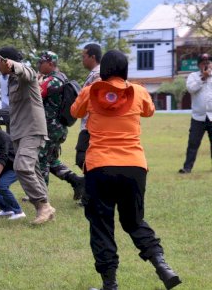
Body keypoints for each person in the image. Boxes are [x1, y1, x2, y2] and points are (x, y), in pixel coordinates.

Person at [71, 50, 181, 290]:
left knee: (101, 225)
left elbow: (75, 112)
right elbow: (149, 111)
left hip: (100, 166)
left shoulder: (91, 91)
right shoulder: (138, 91)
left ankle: (110, 284)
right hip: (134, 166)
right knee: (134, 221)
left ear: (104, 70)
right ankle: (161, 263)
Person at [0, 46, 55, 225]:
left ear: (6, 61)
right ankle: (45, 209)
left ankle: (43, 205)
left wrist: (13, 65)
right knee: (34, 170)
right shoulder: (11, 81)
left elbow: (26, 71)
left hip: (32, 130)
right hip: (19, 132)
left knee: (22, 166)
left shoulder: (25, 74)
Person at [36, 51, 84, 201]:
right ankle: (76, 181)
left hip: (50, 127)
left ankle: (41, 195)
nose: (38, 65)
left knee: (41, 159)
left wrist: (37, 82)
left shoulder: (52, 81)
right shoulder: (61, 77)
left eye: (41, 62)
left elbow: (36, 95)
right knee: (50, 159)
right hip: (58, 127)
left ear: (50, 64)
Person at [179, 53, 212, 174]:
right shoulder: (193, 76)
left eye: (208, 62)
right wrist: (203, 78)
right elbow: (191, 89)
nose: (206, 65)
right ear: (199, 65)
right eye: (203, 63)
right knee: (193, 143)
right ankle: (187, 168)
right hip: (198, 117)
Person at [76, 44, 102, 170]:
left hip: (91, 126)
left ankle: (91, 187)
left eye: (84, 56)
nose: (82, 59)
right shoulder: (95, 73)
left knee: (83, 159)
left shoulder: (98, 75)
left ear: (93, 57)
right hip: (89, 124)